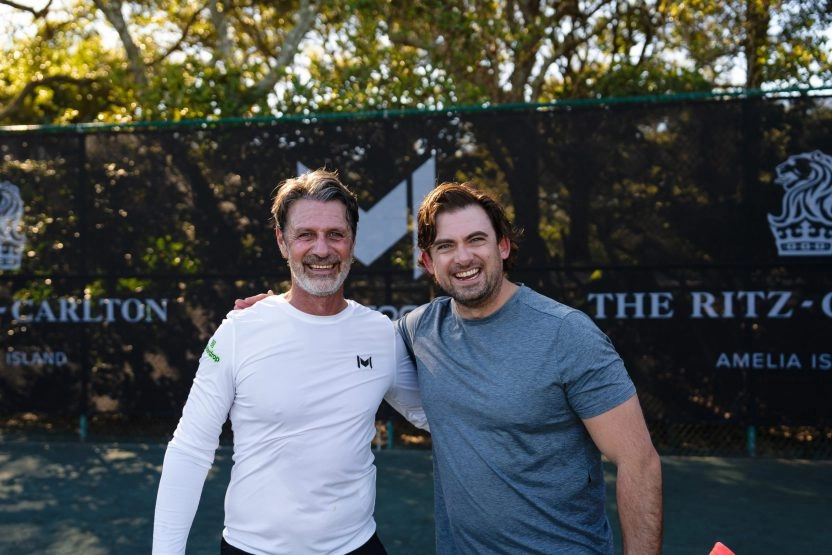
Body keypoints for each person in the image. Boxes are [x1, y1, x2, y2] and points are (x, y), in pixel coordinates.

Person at [236, 181, 664, 554]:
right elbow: (340, 335)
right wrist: (279, 312)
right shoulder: (417, 331)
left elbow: (638, 462)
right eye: (445, 246)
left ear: (503, 245)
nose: (463, 258)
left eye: (476, 240)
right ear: (427, 261)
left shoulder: (568, 335)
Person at [153, 169, 428, 555]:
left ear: (352, 242)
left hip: (358, 546)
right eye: (305, 235)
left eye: (335, 234)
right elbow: (190, 449)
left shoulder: (380, 334)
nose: (322, 249)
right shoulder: (238, 331)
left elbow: (433, 414)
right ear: (283, 242)